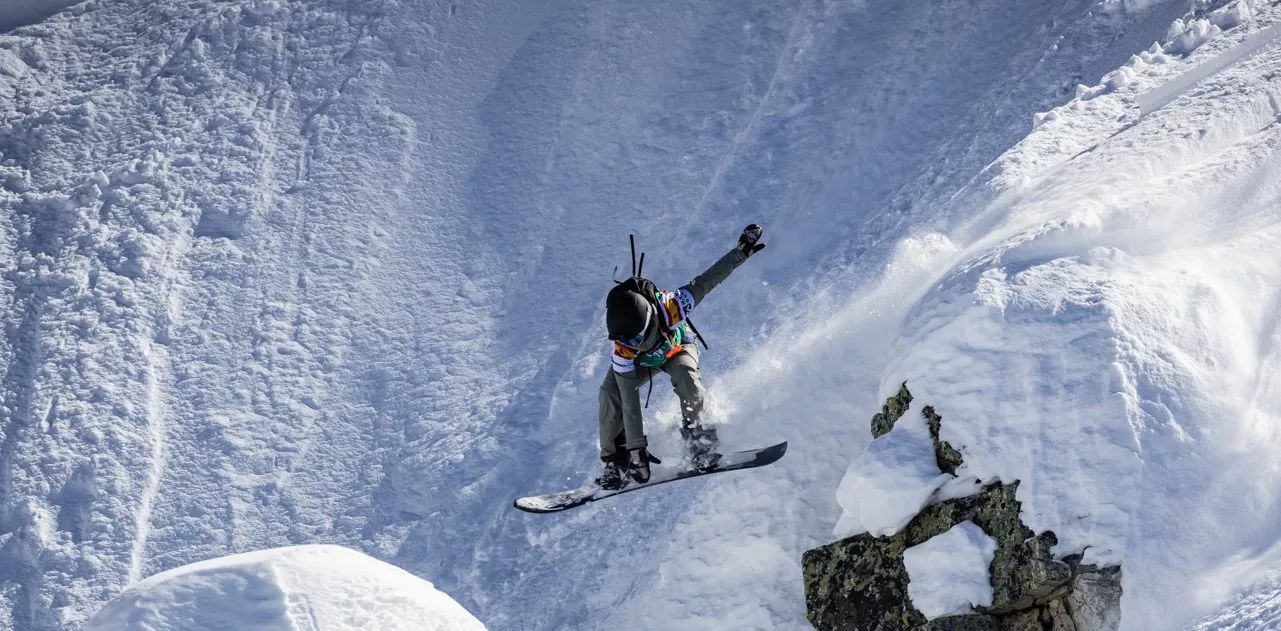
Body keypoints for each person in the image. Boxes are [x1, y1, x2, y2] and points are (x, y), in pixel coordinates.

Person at [596, 224, 767, 489]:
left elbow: (708, 280)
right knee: (610, 394)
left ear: (650, 322)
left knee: (688, 380)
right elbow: (629, 402)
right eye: (626, 341)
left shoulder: (673, 306)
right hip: (645, 364)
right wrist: (636, 450)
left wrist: (740, 253)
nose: (632, 344)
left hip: (676, 349)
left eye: (636, 338)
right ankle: (616, 462)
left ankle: (700, 442)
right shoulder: (624, 348)